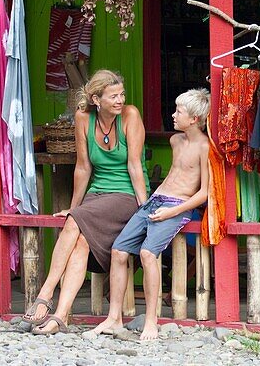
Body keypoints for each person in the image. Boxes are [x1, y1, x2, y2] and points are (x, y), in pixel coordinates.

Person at [23, 70, 148, 335]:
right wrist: (74, 206)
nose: (120, 100)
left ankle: (45, 293)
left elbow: (135, 166)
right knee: (79, 239)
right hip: (97, 195)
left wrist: (144, 206)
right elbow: (82, 168)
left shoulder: (131, 116)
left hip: (125, 195)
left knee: (73, 222)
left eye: (122, 94)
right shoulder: (83, 119)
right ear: (96, 99)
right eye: (113, 96)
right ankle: (60, 316)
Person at [84, 88, 211, 341]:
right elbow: (174, 176)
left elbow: (203, 193)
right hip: (155, 200)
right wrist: (153, 204)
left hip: (178, 206)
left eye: (179, 112)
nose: (173, 115)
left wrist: (171, 212)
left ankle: (151, 321)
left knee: (147, 253)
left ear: (195, 119)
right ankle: (114, 318)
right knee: (118, 251)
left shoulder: (205, 147)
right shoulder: (175, 140)